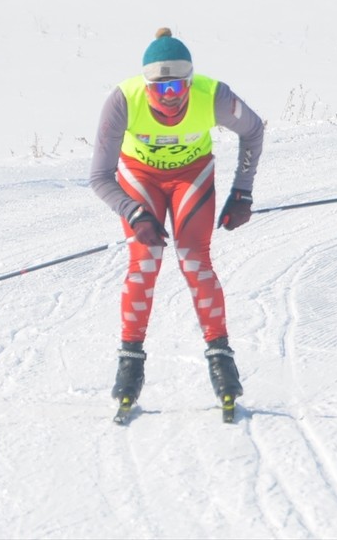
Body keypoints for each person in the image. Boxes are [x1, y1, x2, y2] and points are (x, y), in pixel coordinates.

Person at [89, 27, 265, 415]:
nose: (170, 96)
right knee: (145, 260)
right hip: (140, 176)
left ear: (190, 80)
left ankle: (221, 359)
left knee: (193, 258)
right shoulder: (122, 101)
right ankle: (130, 362)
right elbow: (99, 177)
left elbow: (253, 131)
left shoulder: (213, 95)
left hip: (191, 175)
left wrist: (242, 192)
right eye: (160, 88)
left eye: (178, 86)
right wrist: (134, 212)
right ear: (146, 85)